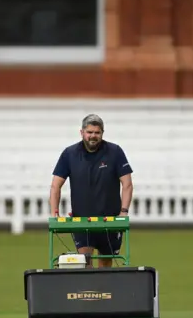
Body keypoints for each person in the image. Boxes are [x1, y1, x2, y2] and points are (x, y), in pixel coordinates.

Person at [49, 114, 134, 268]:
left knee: (106, 264)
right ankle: (89, 292)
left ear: (102, 133)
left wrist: (123, 212)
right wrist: (55, 212)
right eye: (89, 132)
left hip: (110, 221)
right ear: (82, 132)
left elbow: (127, 183)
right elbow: (56, 185)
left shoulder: (115, 152)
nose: (93, 136)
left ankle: (103, 292)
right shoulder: (70, 154)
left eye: (97, 132)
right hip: (82, 221)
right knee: (84, 262)